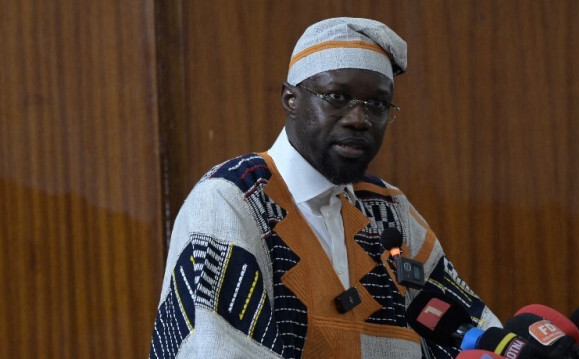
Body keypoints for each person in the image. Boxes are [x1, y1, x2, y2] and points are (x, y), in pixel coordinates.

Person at [149, 17, 500, 359]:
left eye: (376, 104)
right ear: (291, 99)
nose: (358, 119)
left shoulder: (390, 210)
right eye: (336, 96)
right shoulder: (231, 200)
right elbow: (215, 346)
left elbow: (469, 330)